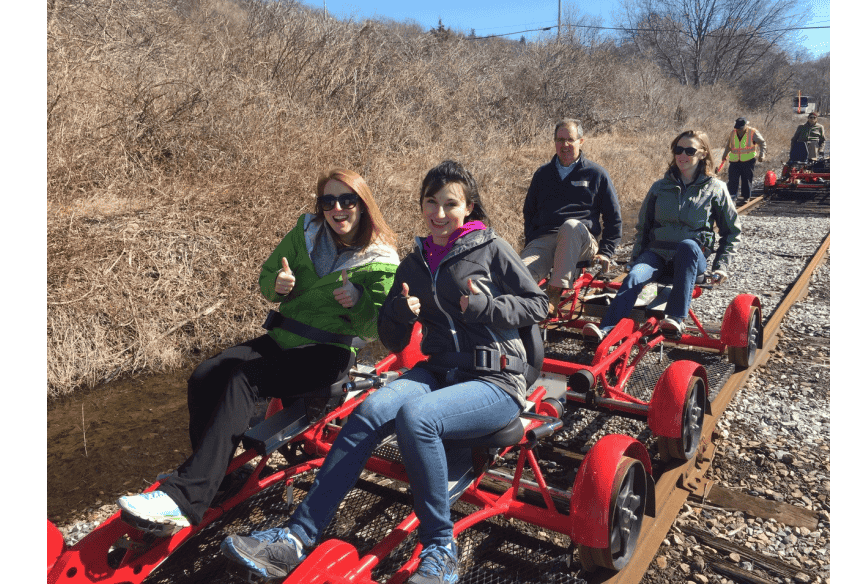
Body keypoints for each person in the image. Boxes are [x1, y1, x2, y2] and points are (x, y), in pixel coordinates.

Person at [220, 160, 548, 584]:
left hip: (495, 379)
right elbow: (392, 339)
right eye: (432, 203)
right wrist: (396, 311)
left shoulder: (491, 248)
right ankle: (296, 538)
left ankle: (439, 548)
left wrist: (489, 307)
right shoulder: (413, 264)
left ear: (468, 207)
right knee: (370, 410)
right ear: (422, 206)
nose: (440, 213)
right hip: (439, 371)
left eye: (451, 204)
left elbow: (539, 305)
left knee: (418, 418)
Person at [115, 169, 400, 536]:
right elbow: (269, 276)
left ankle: (184, 498)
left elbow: (374, 329)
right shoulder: (307, 233)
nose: (338, 209)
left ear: (363, 205)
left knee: (244, 381)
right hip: (284, 339)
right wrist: (279, 286)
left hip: (328, 352)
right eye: (329, 201)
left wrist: (359, 302)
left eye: (348, 200)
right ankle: (213, 479)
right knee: (206, 374)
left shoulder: (380, 260)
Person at [583, 130, 741, 342]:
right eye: (678, 149)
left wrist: (721, 266)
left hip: (691, 258)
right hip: (657, 253)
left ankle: (675, 318)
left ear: (703, 154)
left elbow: (732, 232)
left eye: (690, 150)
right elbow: (644, 227)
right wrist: (635, 259)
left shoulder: (716, 189)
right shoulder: (660, 187)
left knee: (688, 245)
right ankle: (606, 330)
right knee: (635, 276)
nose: (682, 155)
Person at [521, 118, 622, 317]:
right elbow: (529, 213)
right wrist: (532, 243)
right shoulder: (543, 174)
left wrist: (606, 252)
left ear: (581, 141)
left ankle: (554, 293)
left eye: (570, 140)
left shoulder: (596, 174)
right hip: (546, 238)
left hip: (582, 240)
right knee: (518, 275)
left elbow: (613, 217)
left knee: (570, 226)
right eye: (560, 140)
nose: (565, 145)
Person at [720, 117, 767, 204]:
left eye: (740, 128)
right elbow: (728, 146)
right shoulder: (733, 133)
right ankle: (733, 197)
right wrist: (724, 155)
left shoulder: (753, 132)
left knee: (746, 179)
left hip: (748, 160)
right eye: (737, 128)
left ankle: (746, 197)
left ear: (746, 125)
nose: (738, 130)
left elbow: (762, 143)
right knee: (733, 179)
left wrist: (762, 154)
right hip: (734, 160)